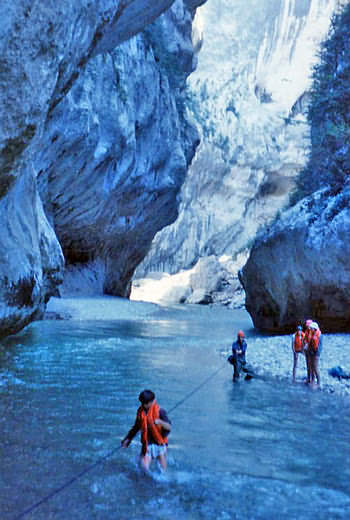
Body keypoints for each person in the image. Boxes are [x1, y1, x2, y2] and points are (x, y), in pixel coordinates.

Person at [121, 389, 171, 473]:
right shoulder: (140, 412)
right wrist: (128, 439)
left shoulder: (160, 411)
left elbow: (169, 427)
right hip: (147, 445)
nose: (155, 401)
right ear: (146, 404)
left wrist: (160, 422)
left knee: (163, 472)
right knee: (143, 470)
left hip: (160, 445)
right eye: (152, 400)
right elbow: (136, 428)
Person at [307, 322, 322, 387]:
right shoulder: (313, 333)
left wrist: (315, 353)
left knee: (315, 367)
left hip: (316, 353)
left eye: (311, 328)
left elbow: (318, 346)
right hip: (312, 352)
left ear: (315, 329)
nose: (310, 329)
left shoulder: (319, 335)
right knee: (312, 366)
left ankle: (319, 383)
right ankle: (313, 381)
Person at [303, 319, 313, 383]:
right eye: (307, 325)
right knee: (308, 364)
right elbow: (305, 339)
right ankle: (308, 378)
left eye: (308, 325)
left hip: (311, 350)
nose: (307, 326)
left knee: (312, 365)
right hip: (307, 350)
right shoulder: (307, 331)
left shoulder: (312, 331)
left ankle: (312, 379)